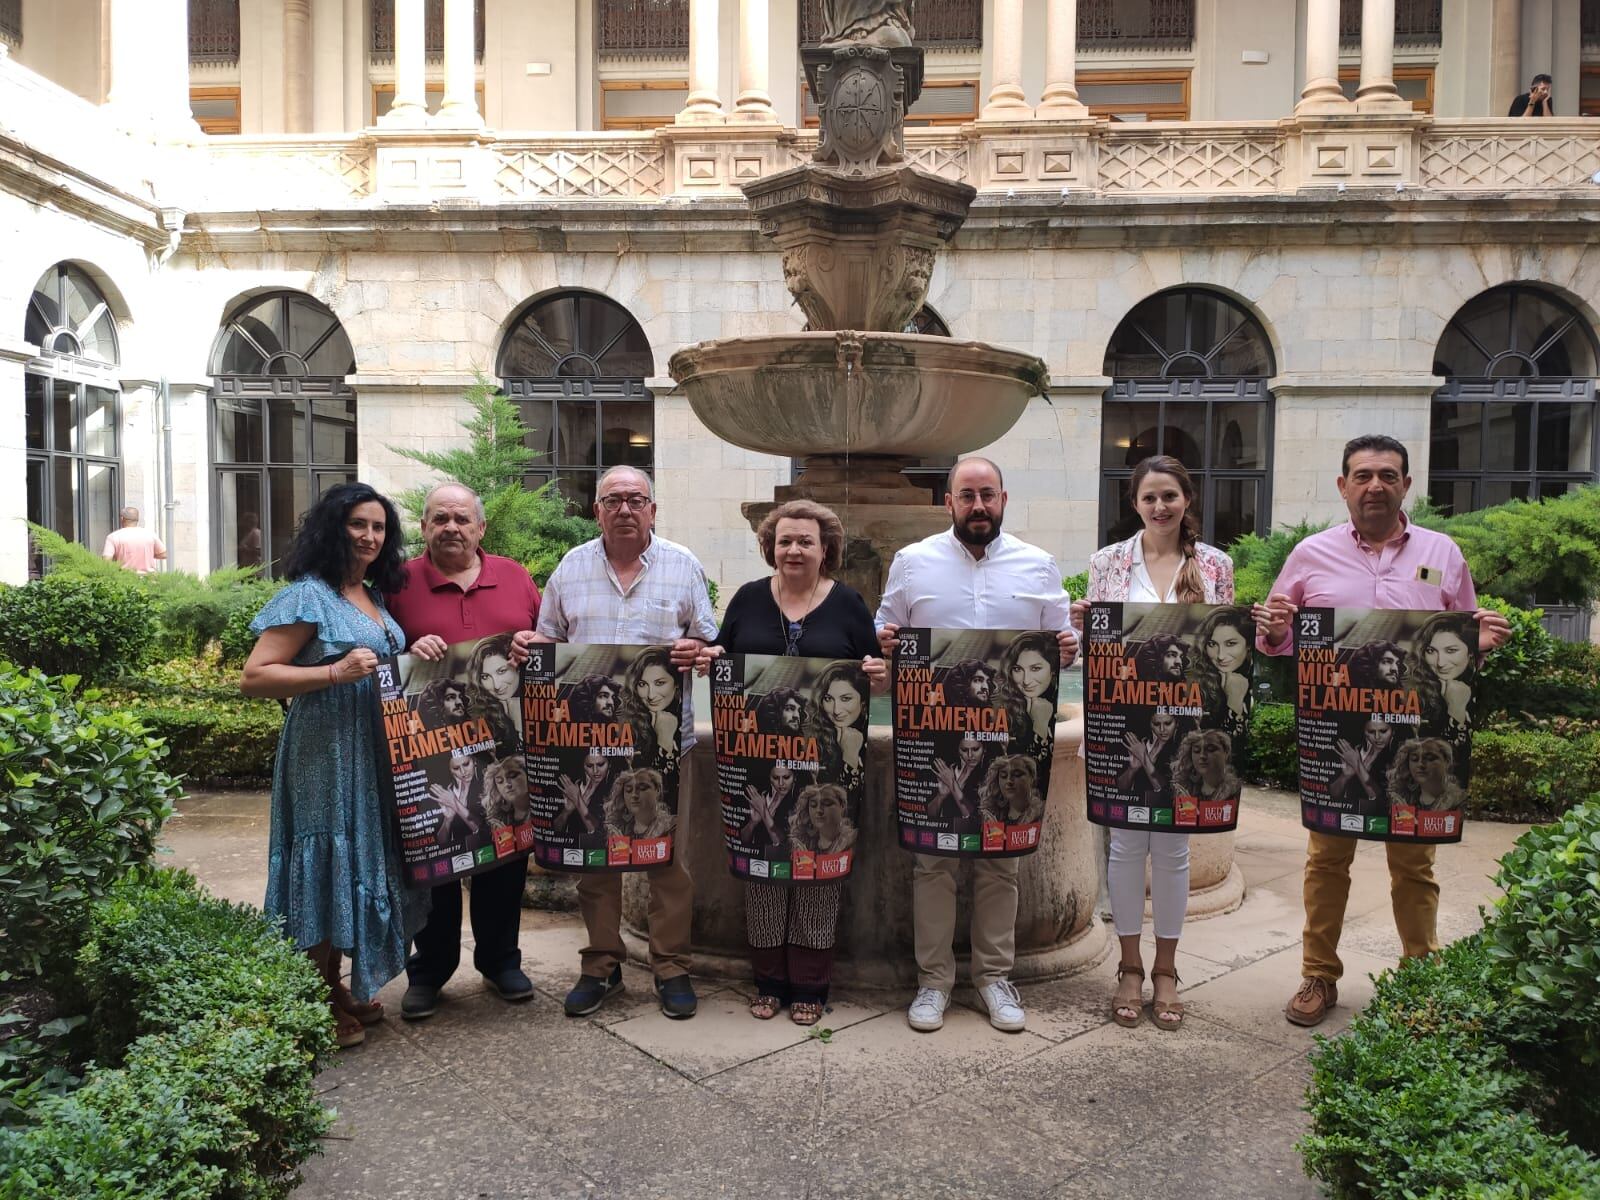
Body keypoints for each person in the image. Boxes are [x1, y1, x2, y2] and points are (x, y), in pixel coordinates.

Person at [1255, 435, 1510, 1028]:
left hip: (1418, 739)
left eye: (1387, 475)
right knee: (1325, 862)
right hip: (1337, 736)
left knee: (1414, 866)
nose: (1375, 485)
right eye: (1363, 475)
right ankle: (1318, 975)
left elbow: (1459, 643)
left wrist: (1482, 646)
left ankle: (1421, 978)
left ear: (1406, 485)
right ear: (1343, 486)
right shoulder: (1310, 555)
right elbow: (1282, 641)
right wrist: (1271, 632)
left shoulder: (1442, 553)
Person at [877, 457, 1077, 1034]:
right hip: (934, 736)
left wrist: (1068, 647)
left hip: (1011, 739)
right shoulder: (913, 563)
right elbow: (883, 628)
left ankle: (994, 978)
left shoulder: (1037, 565)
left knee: (1000, 863)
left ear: (1004, 499)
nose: (978, 506)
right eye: (966, 496)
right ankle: (932, 983)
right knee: (932, 863)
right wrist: (885, 640)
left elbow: (1063, 643)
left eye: (987, 495)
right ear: (949, 503)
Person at [240, 481, 424, 1050]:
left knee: (358, 859)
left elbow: (384, 664)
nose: (370, 537)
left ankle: (336, 984)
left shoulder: (370, 594)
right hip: (325, 751)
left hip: (371, 749)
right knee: (326, 861)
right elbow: (256, 676)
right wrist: (331, 673)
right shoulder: (308, 596)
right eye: (358, 525)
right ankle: (314, 994)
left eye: (378, 527)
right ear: (333, 527)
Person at [535, 465, 717, 1020]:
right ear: (597, 511)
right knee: (598, 862)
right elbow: (549, 641)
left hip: (663, 746)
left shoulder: (683, 565)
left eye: (636, 500)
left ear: (653, 511)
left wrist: (699, 653)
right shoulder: (570, 568)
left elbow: (711, 642)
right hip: (590, 743)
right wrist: (529, 645)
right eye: (612, 500)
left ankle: (671, 968)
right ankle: (601, 966)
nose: (624, 510)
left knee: (668, 862)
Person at [700, 498, 885, 1025]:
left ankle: (809, 982)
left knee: (818, 870)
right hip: (757, 762)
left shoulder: (848, 603)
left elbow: (877, 672)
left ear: (826, 549)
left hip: (825, 771)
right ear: (770, 547)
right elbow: (722, 655)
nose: (794, 549)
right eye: (785, 540)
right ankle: (768, 981)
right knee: (763, 873)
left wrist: (878, 672)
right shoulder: (748, 599)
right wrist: (711, 655)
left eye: (806, 540)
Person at [1072, 454, 1234, 1032]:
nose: (1160, 506)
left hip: (1188, 729)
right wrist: (1081, 627)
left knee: (1172, 852)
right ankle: (1129, 966)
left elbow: (1221, 654)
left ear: (1186, 499)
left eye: (1169, 496)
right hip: (1124, 720)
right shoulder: (1108, 563)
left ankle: (1166, 970)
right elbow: (1096, 649)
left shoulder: (1215, 565)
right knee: (1123, 846)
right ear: (1134, 504)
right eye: (1149, 498)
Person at [383, 482, 542, 1022]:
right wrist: (406, 650)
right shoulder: (397, 582)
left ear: (481, 528)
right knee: (437, 853)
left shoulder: (515, 576)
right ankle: (429, 970)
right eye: (439, 518)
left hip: (504, 749)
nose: (451, 527)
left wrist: (531, 645)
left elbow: (547, 642)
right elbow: (379, 655)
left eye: (461, 519)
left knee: (506, 854)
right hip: (431, 749)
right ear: (423, 527)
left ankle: (501, 962)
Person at [1406, 611, 1478, 759]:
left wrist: (1457, 708)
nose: (1440, 663)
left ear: (1471, 652)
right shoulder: (1415, 690)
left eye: (1451, 651)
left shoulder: (1481, 685)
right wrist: (1456, 710)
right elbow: (1441, 761)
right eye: (1431, 651)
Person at [620, 645, 682, 785]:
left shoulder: (684, 719)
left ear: (676, 683)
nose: (651, 695)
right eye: (642, 684)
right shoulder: (631, 718)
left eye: (660, 683)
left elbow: (669, 790)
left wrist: (665, 741)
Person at [996, 630, 1059, 759]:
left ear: (1053, 669)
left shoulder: (1065, 704)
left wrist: (1040, 725)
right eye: (1017, 669)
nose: (1026, 681)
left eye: (1035, 669)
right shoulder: (1008, 705)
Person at [1192, 606, 1252, 741]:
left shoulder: (1260, 676)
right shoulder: (1200, 681)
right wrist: (1234, 703)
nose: (1221, 656)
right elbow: (1219, 749)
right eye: (1212, 644)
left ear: (1248, 645)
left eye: (1230, 643)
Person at [1332, 717, 1406, 816]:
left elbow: (1380, 799)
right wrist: (1345, 776)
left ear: (1393, 731)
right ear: (1364, 732)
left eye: (1383, 731)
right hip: (1349, 817)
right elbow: (1333, 794)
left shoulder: (1398, 758)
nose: (1377, 737)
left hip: (1377, 821)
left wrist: (1357, 765)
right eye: (1371, 731)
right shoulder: (1354, 751)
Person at [1117, 708, 1187, 809]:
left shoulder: (1182, 750)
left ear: (1177, 723)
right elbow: (1120, 789)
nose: (1162, 729)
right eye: (1156, 724)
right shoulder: (1141, 744)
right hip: (1136, 811)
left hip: (1163, 814)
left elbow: (1166, 792)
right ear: (1150, 724)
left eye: (1167, 723)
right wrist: (1132, 769)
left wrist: (1144, 757)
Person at [464, 632, 523, 749]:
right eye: (485, 677)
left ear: (518, 666)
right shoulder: (481, 714)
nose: (496, 685)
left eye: (502, 671)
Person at [1387, 738, 1465, 814]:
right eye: (1414, 759)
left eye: (1429, 758)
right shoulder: (1401, 799)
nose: (1420, 764)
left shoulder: (1459, 802)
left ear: (1447, 762)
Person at [930, 734, 988, 825]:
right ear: (958, 750)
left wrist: (952, 784)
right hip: (946, 833)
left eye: (975, 749)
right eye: (964, 750)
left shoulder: (989, 775)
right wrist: (940, 796)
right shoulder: (948, 771)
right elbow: (929, 817)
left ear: (984, 749)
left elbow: (974, 817)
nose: (970, 755)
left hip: (970, 835)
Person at [431, 752, 486, 847]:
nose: (463, 772)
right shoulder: (448, 792)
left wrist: (455, 804)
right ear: (450, 770)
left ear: (474, 761)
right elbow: (441, 843)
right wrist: (448, 820)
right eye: (456, 768)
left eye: (466, 764)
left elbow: (485, 831)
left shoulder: (486, 785)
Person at [604, 768, 675, 839]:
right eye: (629, 790)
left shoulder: (673, 826)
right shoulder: (619, 830)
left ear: (657, 790)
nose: (634, 795)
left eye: (642, 788)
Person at [789, 783, 857, 855]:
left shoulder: (853, 840)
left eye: (827, 803)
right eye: (813, 805)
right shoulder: (803, 843)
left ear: (842, 806)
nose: (819, 810)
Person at [1172, 729, 1239, 802]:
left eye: (1210, 749)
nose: (1202, 756)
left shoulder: (1236, 791)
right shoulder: (1184, 789)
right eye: (1196, 751)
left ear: (1226, 753)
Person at [743, 762, 800, 848]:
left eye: (786, 777)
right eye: (776, 778)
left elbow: (782, 843)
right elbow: (742, 840)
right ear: (770, 778)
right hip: (758, 857)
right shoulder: (762, 796)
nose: (781, 783)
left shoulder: (799, 802)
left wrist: (763, 811)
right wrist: (753, 823)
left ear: (794, 777)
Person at [978, 754, 1045, 826]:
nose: (1009, 781)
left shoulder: (1045, 812)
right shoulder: (990, 817)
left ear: (1032, 778)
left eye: (1017, 774)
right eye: (1003, 776)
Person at [101, 506, 165, 574]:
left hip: (127, 579)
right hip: (149, 579)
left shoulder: (113, 537)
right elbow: (164, 554)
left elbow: (106, 561)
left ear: (122, 518)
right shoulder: (150, 534)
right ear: (137, 519)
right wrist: (148, 554)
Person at [483, 755, 530, 828]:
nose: (507, 784)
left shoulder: (545, 810)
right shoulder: (498, 820)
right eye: (500, 781)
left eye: (513, 776)